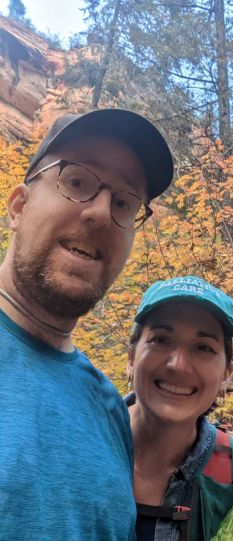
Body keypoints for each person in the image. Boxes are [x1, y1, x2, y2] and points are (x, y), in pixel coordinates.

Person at [0, 109, 173, 540]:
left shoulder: (108, 408)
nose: (100, 213)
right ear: (19, 206)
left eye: (124, 203)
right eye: (77, 182)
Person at [127, 275, 233, 541]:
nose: (179, 365)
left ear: (226, 375)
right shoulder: (77, 443)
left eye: (203, 347)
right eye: (161, 339)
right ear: (131, 359)